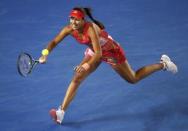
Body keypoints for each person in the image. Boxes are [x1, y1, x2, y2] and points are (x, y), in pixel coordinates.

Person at [39, 7, 178, 124]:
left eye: (76, 19)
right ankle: (61, 112)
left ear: (83, 20)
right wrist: (45, 54)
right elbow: (53, 42)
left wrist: (85, 66)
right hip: (95, 50)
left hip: (111, 52)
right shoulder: (69, 29)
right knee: (77, 77)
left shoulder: (90, 29)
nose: (73, 22)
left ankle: (163, 64)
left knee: (133, 78)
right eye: (71, 18)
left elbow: (99, 54)